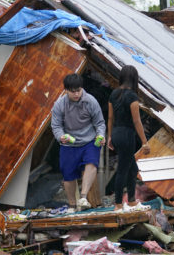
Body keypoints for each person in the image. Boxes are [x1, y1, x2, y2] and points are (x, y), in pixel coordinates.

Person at [51, 73, 106, 212]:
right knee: (67, 174)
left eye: (78, 90)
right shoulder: (60, 104)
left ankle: (83, 196)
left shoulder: (91, 101)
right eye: (72, 91)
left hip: (89, 140)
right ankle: (72, 205)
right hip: (69, 142)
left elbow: (100, 122)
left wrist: (101, 135)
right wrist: (61, 136)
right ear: (66, 90)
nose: (76, 94)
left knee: (92, 162)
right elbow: (56, 126)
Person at [107, 65, 151, 213]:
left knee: (133, 169)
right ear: (134, 79)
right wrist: (145, 142)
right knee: (122, 170)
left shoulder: (114, 94)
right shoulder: (132, 96)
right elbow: (137, 121)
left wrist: (109, 136)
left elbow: (110, 118)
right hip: (127, 134)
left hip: (116, 133)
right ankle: (118, 204)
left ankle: (131, 202)